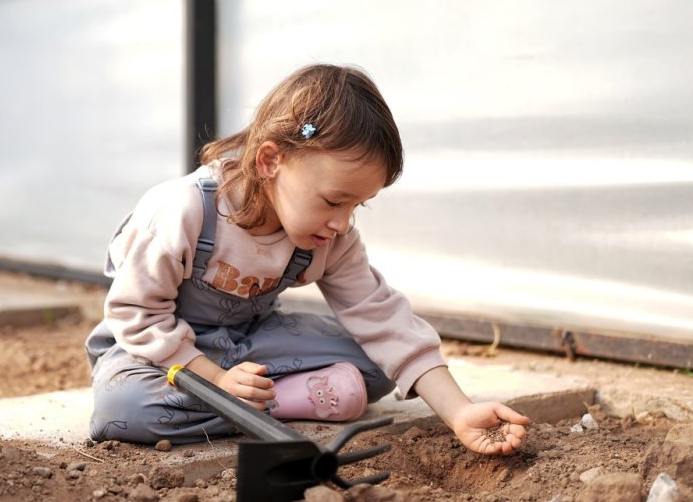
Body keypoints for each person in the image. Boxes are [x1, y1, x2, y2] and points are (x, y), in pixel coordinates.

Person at [84, 63, 530, 455]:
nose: (342, 222)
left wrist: (459, 412)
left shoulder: (329, 236)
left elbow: (382, 318)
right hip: (159, 354)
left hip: (250, 344)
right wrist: (217, 381)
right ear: (270, 161)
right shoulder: (182, 211)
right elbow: (136, 314)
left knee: (380, 367)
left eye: (358, 205)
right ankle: (279, 399)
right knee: (121, 409)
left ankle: (257, 397)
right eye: (335, 200)